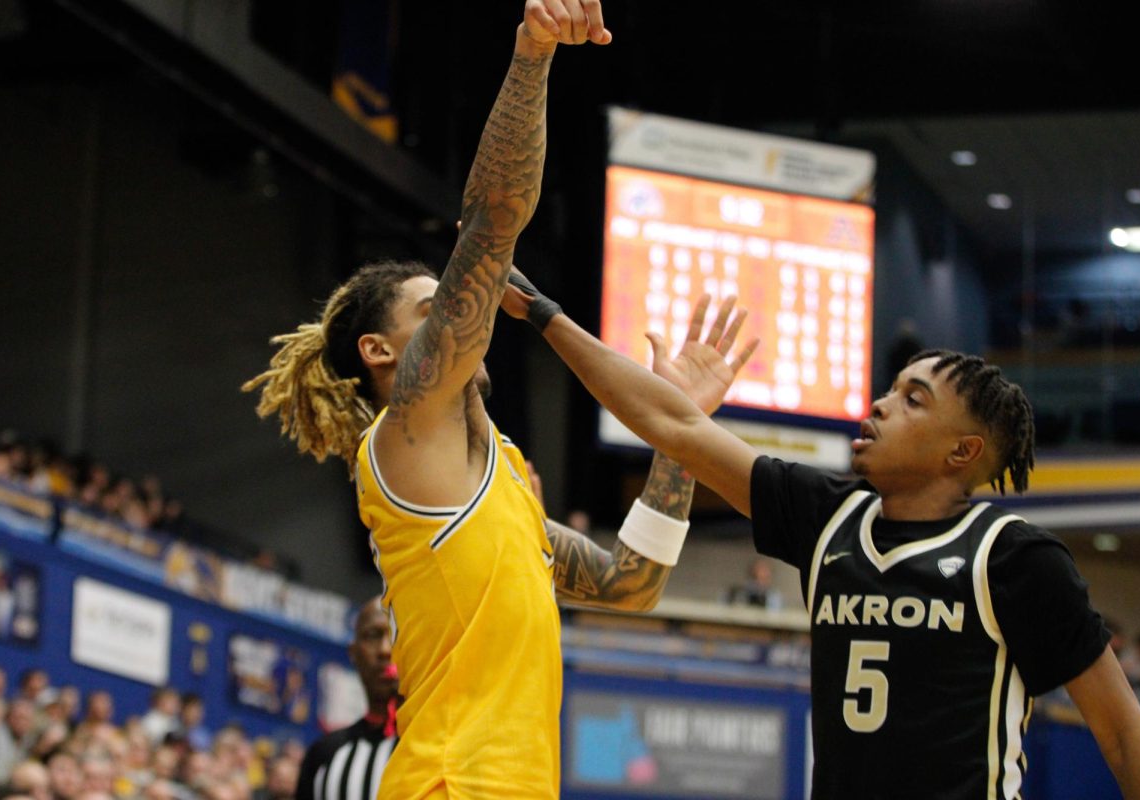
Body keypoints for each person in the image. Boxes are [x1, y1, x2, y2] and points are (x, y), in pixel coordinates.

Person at [242, 3, 756, 796]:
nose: (460, 307)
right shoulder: (406, 430)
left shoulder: (501, 478)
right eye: (433, 307)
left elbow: (631, 582)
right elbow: (491, 222)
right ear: (381, 353)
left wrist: (678, 438)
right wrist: (532, 56)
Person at [500, 272, 1140, 799]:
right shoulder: (827, 516)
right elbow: (671, 427)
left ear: (961, 453)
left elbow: (1123, 737)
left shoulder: (1015, 558)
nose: (880, 404)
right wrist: (544, 314)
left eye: (913, 399)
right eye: (892, 388)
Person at [296, 599, 399, 800]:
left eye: (396, 635)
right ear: (353, 653)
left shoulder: (440, 746)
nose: (385, 650)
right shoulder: (324, 754)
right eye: (373, 635)